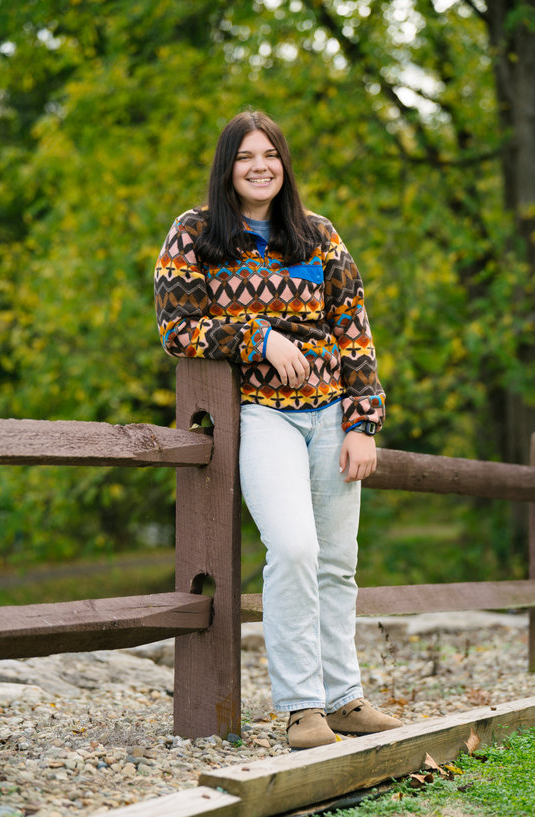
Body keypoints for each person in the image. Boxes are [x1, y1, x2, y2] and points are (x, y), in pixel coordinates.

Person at [154, 110, 402, 749]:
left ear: (283, 162)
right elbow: (177, 328)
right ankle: (301, 710)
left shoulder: (317, 235)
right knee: (292, 548)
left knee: (337, 563)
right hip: (261, 417)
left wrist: (363, 422)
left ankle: (344, 699)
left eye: (270, 154)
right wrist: (258, 336)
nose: (260, 166)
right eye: (245, 157)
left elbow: (355, 330)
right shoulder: (196, 234)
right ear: (226, 168)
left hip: (331, 417)